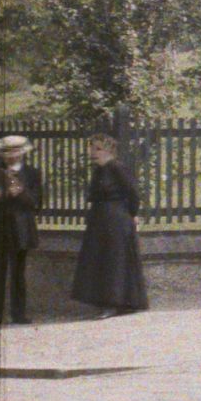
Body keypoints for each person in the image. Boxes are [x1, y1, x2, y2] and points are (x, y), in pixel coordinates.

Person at [70, 134, 148, 318]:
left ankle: (114, 303)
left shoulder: (117, 168)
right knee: (100, 258)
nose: (93, 152)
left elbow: (133, 193)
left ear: (109, 151)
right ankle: (105, 301)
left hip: (116, 219)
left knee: (114, 260)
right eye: (92, 148)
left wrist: (133, 214)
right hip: (99, 220)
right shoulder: (99, 170)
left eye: (98, 149)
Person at [0, 135, 44, 327]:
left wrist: (19, 191)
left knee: (18, 273)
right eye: (6, 154)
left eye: (14, 153)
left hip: (21, 229)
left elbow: (36, 204)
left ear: (22, 154)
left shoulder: (32, 173)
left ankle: (19, 314)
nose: (10, 158)